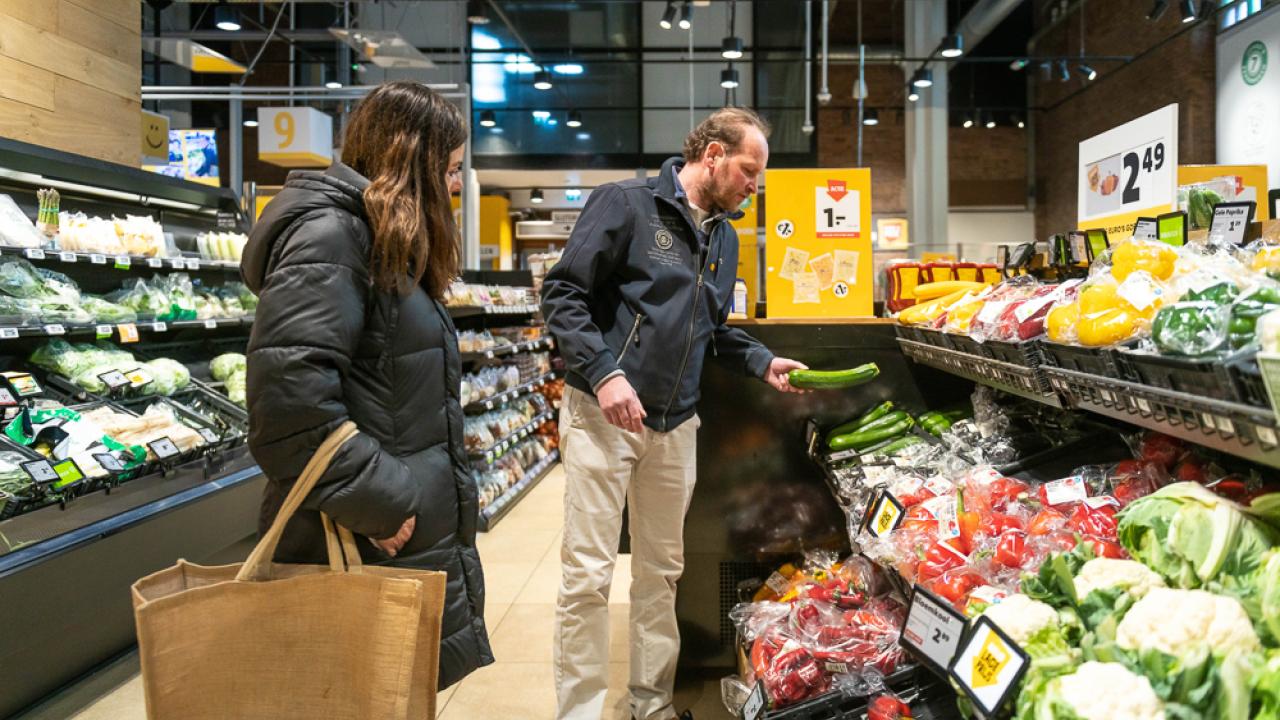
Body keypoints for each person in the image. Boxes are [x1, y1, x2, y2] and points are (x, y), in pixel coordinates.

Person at [541, 107, 807, 720]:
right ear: (712, 155)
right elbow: (562, 293)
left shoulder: (725, 237)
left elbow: (712, 330)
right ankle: (578, 711)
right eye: (748, 170)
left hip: (675, 424)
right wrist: (605, 373)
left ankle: (651, 704)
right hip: (602, 415)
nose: (753, 186)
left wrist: (762, 360)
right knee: (588, 574)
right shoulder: (626, 205)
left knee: (661, 573)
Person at [240, 81, 493, 690]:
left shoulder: (379, 239)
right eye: (450, 170)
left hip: (390, 541)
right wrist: (383, 500)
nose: (454, 187)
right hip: (357, 537)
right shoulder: (333, 236)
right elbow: (287, 404)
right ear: (413, 160)